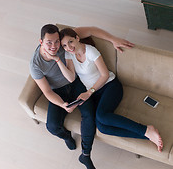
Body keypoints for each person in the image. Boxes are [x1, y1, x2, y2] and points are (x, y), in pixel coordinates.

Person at [30, 24, 134, 169]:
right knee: (52, 126)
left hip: (76, 83)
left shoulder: (64, 42)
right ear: (41, 42)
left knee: (89, 115)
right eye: (49, 43)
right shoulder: (35, 65)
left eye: (56, 42)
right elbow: (47, 92)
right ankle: (66, 136)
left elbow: (91, 30)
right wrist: (62, 104)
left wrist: (113, 39)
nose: (54, 46)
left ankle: (85, 155)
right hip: (57, 91)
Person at [56, 28, 163, 153]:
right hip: (96, 93)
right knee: (102, 127)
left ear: (77, 38)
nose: (69, 47)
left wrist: (89, 92)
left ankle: (146, 130)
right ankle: (146, 135)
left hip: (110, 86)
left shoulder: (91, 51)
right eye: (64, 45)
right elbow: (71, 77)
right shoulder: (69, 54)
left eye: (70, 42)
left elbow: (105, 75)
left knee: (102, 116)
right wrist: (57, 60)